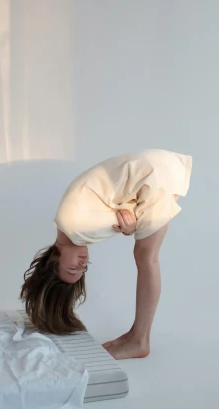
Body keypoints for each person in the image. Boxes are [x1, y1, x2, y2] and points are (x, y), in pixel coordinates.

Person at [20, 149, 192, 360]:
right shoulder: (66, 223)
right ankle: (134, 335)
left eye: (73, 267)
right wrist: (128, 224)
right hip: (154, 168)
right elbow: (123, 213)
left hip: (153, 175)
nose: (83, 263)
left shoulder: (78, 228)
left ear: (53, 259)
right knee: (144, 254)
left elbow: (130, 222)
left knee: (146, 256)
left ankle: (140, 340)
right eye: (83, 269)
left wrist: (129, 229)